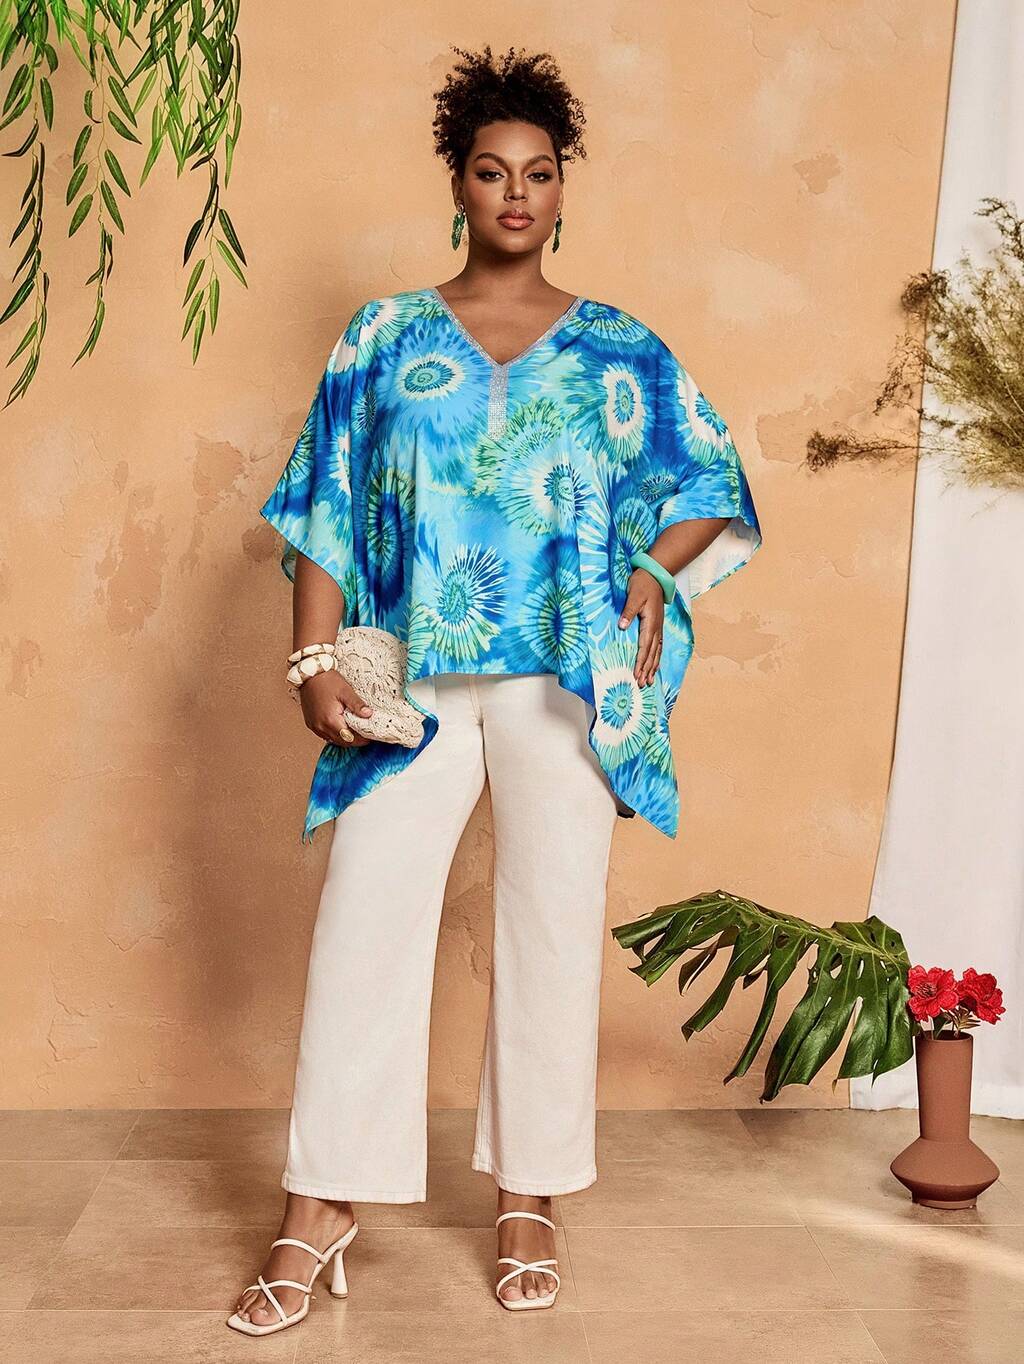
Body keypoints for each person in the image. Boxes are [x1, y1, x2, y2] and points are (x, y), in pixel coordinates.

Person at [228, 43, 762, 1337]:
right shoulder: (383, 338)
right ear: (457, 185)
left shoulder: (619, 347)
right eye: (490, 171)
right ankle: (319, 1206)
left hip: (561, 681)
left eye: (539, 172)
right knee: (363, 921)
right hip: (407, 679)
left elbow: (710, 483)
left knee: (550, 927)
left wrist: (653, 569)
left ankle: (531, 1197)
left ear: (562, 190)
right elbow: (325, 505)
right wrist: (312, 657)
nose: (516, 193)